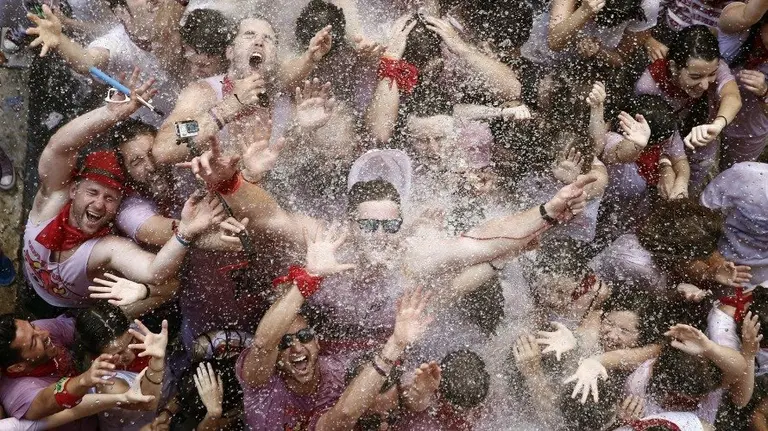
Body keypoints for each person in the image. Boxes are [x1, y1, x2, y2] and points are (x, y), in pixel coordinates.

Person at [20, 72, 224, 315]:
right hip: (47, 295)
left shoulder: (189, 162)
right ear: (74, 190)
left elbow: (187, 130)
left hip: (77, 307)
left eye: (109, 198)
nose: (99, 204)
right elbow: (58, 147)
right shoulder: (118, 211)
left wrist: (223, 115)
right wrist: (108, 114)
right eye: (92, 192)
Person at [152, 14, 334, 166]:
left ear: (274, 57)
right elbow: (164, 147)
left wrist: (302, 131)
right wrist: (227, 108)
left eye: (268, 39)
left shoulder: (280, 93)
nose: (259, 42)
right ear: (230, 52)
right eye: (249, 35)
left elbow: (279, 165)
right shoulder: (205, 92)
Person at [633, 25, 742, 192]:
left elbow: (732, 97)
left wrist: (717, 124)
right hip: (663, 145)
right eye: (695, 77)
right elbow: (652, 139)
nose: (705, 85)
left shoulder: (710, 66)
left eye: (711, 75)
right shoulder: (649, 85)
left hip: (702, 135)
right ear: (673, 67)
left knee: (696, 175)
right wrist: (666, 164)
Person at [72, 303, 169, 431]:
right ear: (96, 355)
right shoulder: (105, 381)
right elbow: (148, 402)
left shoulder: (134, 331)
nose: (129, 353)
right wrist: (157, 360)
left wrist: (170, 409)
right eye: (118, 353)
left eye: (131, 342)